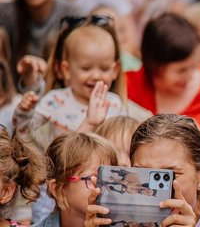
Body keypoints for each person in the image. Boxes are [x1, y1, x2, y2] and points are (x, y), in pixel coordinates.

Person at [126, 13, 200, 139]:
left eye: (195, 65)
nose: (191, 76)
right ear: (153, 65)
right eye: (181, 70)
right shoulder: (127, 86)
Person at [27, 20, 127, 152]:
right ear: (67, 70)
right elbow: (25, 130)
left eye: (104, 69)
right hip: (65, 168)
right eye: (86, 68)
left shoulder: (115, 104)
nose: (96, 76)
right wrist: (24, 111)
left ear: (115, 70)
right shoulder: (56, 100)